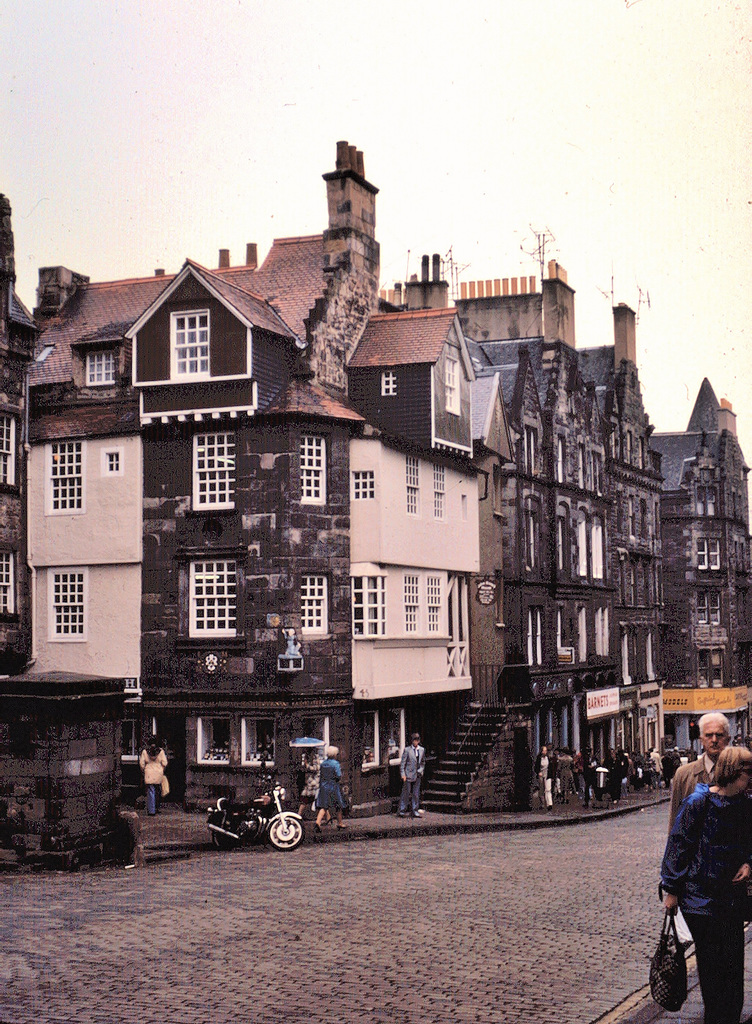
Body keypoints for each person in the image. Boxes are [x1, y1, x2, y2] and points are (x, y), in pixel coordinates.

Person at [661, 745, 752, 1024]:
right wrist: (671, 890)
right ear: (735, 774)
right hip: (700, 900)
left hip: (732, 899)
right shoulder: (698, 803)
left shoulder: (745, 803)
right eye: (749, 774)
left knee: (733, 969)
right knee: (712, 971)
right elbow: (678, 846)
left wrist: (749, 863)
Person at [669, 712, 731, 829]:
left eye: (719, 735)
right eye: (709, 735)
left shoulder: (741, 773)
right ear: (701, 740)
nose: (714, 740)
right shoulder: (684, 774)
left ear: (728, 739)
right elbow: (675, 820)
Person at [314, 746, 347, 831]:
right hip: (333, 786)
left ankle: (318, 822)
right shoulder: (335, 764)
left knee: (324, 806)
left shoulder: (323, 763)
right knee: (338, 805)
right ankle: (340, 823)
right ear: (335, 754)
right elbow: (338, 775)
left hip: (324, 786)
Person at [398, 733, 426, 817]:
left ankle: (414, 810)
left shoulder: (422, 750)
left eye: (417, 740)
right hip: (408, 774)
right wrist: (403, 774)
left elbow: (423, 762)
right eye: (414, 740)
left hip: (417, 774)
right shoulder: (407, 750)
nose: (415, 742)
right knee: (406, 793)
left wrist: (421, 770)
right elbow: (403, 763)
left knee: (416, 793)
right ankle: (402, 810)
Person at [139, 738, 168, 816]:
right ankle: (157, 808)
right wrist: (161, 768)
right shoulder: (161, 752)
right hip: (158, 772)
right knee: (158, 791)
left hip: (149, 773)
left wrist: (144, 769)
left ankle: (151, 810)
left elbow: (141, 764)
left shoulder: (145, 752)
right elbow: (165, 763)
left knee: (150, 791)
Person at [297, 748, 322, 817]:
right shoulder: (305, 757)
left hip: (313, 782)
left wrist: (307, 765)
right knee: (317, 800)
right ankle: (327, 818)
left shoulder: (315, 757)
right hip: (308, 781)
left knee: (305, 799)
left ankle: (298, 816)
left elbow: (316, 768)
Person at [534, 744, 556, 811]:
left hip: (547, 774)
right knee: (541, 789)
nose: (545, 752)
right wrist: (538, 772)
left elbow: (551, 767)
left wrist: (552, 776)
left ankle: (549, 804)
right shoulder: (539, 758)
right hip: (541, 774)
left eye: (545, 751)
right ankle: (542, 803)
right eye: (543, 751)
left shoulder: (548, 758)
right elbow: (536, 767)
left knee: (548, 789)